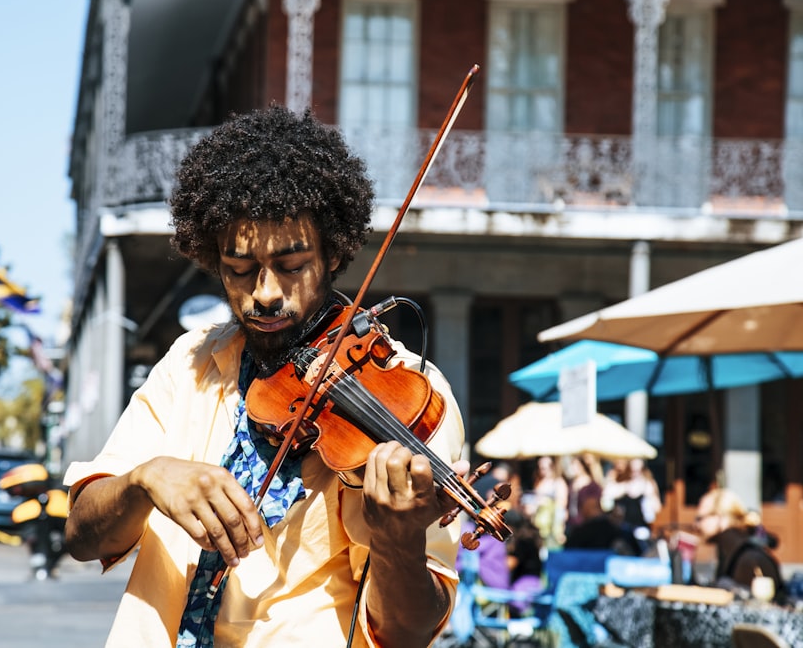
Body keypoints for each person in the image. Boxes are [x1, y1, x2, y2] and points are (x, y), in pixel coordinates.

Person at [62, 106, 470, 648]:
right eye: (238, 270)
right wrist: (145, 480)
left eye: (293, 265)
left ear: (332, 255)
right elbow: (82, 535)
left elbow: (411, 630)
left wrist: (398, 542)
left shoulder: (410, 394)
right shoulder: (190, 363)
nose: (265, 293)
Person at [695, 488, 785, 601]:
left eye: (700, 518)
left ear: (720, 517)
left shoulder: (748, 558)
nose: (696, 525)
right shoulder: (729, 552)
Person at [601, 458, 660, 553]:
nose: (634, 474)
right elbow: (606, 500)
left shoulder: (648, 485)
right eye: (632, 470)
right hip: (622, 530)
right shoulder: (620, 483)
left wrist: (650, 497)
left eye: (637, 471)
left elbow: (656, 509)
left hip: (641, 530)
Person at [524, 455, 568, 550]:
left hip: (552, 529)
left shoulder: (558, 483)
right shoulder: (539, 482)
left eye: (545, 468)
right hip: (538, 527)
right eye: (540, 468)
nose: (542, 471)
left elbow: (561, 508)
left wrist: (560, 531)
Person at [565, 455, 602, 538]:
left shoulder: (592, 486)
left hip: (586, 524)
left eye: (575, 465)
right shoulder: (572, 484)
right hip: (571, 523)